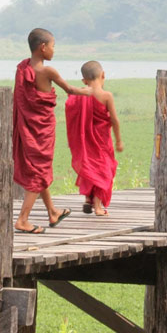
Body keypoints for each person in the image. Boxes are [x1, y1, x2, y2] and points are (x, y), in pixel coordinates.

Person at [13, 28, 92, 234]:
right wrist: (91, 91)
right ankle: (23, 219)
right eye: (53, 46)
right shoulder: (48, 71)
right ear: (43, 47)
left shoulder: (23, 67)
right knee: (39, 171)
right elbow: (70, 90)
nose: (54, 50)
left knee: (40, 169)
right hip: (41, 129)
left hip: (29, 126)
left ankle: (52, 212)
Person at [65, 60, 123, 216]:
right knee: (104, 169)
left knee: (89, 166)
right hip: (102, 141)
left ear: (84, 80)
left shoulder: (80, 94)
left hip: (86, 141)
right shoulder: (106, 95)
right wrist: (119, 140)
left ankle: (88, 199)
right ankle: (98, 206)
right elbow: (115, 120)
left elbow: (72, 111)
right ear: (103, 75)